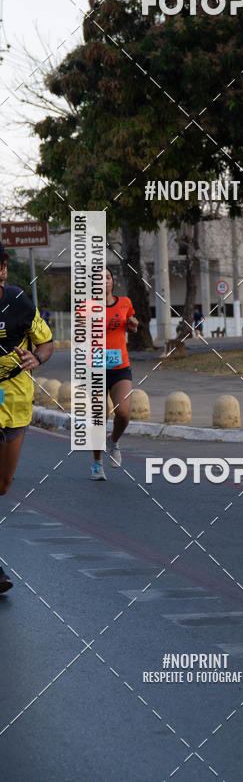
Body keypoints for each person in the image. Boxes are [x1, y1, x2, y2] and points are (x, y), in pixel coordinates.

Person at [0, 241, 54, 593]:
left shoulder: (18, 301)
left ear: (2, 269)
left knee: (2, 485)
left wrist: (38, 358)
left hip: (15, 402)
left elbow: (46, 342)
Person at [90, 268, 138, 480]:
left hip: (120, 368)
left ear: (112, 281)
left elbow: (132, 326)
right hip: (96, 369)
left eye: (107, 277)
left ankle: (114, 441)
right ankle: (97, 464)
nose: (104, 281)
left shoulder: (125, 303)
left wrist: (134, 325)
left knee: (124, 413)